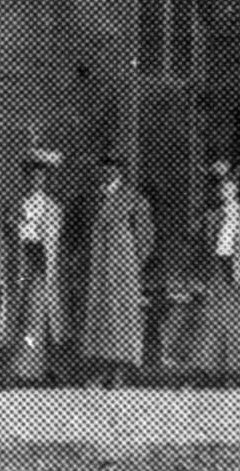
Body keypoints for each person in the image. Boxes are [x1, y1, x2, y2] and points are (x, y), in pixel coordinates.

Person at [159, 162, 240, 383]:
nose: (224, 190)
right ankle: (210, 373)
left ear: (235, 188)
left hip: (239, 276)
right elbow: (194, 252)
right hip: (215, 275)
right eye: (220, 187)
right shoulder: (209, 219)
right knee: (210, 320)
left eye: (228, 186)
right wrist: (194, 281)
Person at [75, 149, 153, 388]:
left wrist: (130, 264)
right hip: (97, 271)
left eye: (112, 167)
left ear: (119, 171)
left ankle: (118, 372)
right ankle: (101, 371)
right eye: (102, 168)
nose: (106, 172)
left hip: (122, 271)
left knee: (121, 320)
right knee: (99, 319)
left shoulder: (133, 199)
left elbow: (146, 237)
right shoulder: (90, 199)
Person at [0, 148, 69, 385]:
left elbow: (54, 242)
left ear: (45, 179)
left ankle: (34, 369)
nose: (35, 180)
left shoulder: (53, 208)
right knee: (18, 317)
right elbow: (7, 238)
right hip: (21, 266)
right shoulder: (15, 205)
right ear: (25, 178)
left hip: (42, 267)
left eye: (40, 176)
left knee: (36, 318)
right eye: (31, 176)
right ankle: (19, 368)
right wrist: (15, 227)